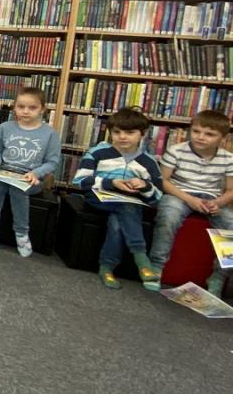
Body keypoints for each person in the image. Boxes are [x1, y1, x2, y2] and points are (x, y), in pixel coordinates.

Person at [73, 107, 163, 290]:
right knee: (126, 209)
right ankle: (142, 260)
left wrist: (144, 186)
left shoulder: (148, 162)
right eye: (117, 132)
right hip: (99, 198)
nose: (122, 137)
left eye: (130, 133)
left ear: (142, 134)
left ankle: (106, 267)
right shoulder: (97, 153)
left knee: (117, 222)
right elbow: (80, 181)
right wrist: (111, 183)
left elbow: (157, 196)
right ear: (110, 132)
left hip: (129, 202)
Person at [148, 109, 233, 295]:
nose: (200, 137)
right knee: (169, 216)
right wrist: (189, 199)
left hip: (211, 197)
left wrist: (218, 203)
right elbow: (163, 181)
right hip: (179, 194)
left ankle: (219, 277)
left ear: (223, 138)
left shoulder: (228, 159)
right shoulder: (176, 151)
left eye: (209, 134)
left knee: (231, 226)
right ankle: (156, 266)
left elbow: (230, 190)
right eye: (196, 131)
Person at [0, 87, 60, 256]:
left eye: (32, 107)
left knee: (17, 190)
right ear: (14, 107)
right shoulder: (5, 127)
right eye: (21, 106)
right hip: (5, 172)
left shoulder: (50, 134)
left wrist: (36, 173)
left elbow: (52, 162)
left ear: (42, 109)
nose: (25, 111)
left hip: (31, 177)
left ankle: (22, 233)